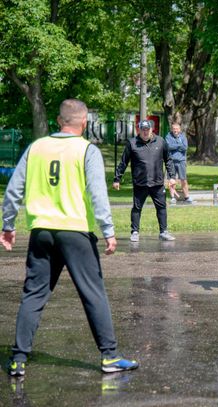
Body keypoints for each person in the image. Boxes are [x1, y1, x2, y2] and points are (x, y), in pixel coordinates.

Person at [0, 99, 138, 376]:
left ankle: (18, 359)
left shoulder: (35, 148)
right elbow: (98, 194)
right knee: (93, 294)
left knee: (33, 294)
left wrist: (8, 225)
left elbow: (14, 190)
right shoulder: (87, 150)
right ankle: (109, 356)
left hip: (41, 233)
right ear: (84, 122)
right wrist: (108, 230)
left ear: (59, 121)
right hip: (75, 233)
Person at [113, 119, 176, 242]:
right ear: (139, 130)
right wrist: (117, 179)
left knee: (162, 207)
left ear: (152, 129)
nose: (145, 132)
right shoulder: (132, 143)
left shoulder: (161, 142)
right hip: (140, 183)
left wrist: (172, 177)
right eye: (143, 129)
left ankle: (163, 232)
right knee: (137, 208)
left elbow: (168, 160)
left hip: (157, 183)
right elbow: (123, 162)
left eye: (147, 129)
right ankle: (135, 232)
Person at [165, 122, 194, 205]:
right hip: (171, 161)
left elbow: (185, 147)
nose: (175, 130)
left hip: (181, 161)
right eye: (174, 129)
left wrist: (175, 146)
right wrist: (179, 145)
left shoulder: (183, 137)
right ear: (172, 129)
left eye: (177, 129)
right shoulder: (168, 136)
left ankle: (187, 197)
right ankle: (173, 197)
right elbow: (168, 147)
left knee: (183, 180)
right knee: (171, 180)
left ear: (180, 129)